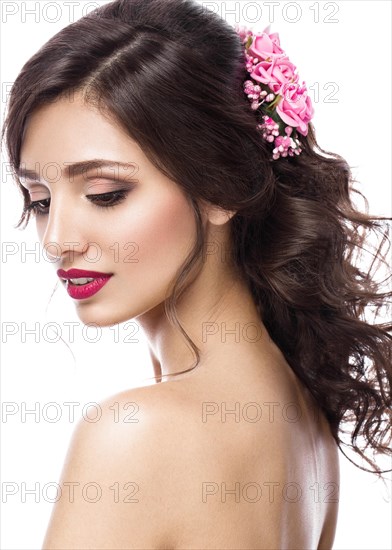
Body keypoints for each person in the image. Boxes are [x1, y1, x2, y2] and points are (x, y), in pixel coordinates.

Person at [2, 0, 390, 548]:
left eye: (104, 194)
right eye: (39, 199)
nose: (58, 238)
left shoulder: (137, 434)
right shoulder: (303, 418)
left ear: (222, 187)